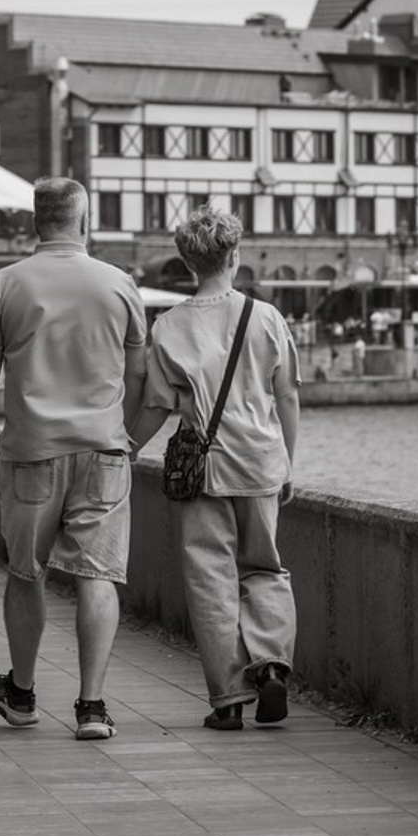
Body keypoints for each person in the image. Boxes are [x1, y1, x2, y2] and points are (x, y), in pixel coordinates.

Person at [0, 177, 147, 741]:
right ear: (84, 218)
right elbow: (140, 375)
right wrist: (128, 436)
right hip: (103, 450)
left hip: (30, 450)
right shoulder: (120, 285)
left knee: (26, 573)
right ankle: (91, 706)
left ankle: (20, 693)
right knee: (97, 577)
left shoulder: (4, 284)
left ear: (35, 221)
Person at [129, 207, 300, 732]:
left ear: (187, 261)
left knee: (210, 580)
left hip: (201, 467)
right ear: (236, 256)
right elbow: (286, 393)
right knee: (265, 568)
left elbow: (158, 405)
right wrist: (288, 463)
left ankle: (228, 699)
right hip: (260, 461)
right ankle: (270, 663)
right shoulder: (266, 317)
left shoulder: (170, 325)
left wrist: (127, 447)